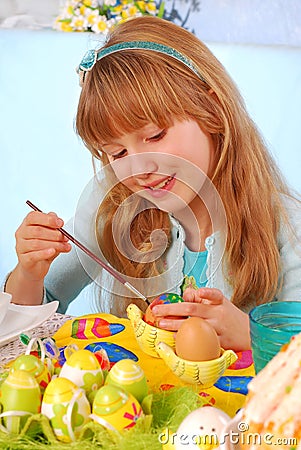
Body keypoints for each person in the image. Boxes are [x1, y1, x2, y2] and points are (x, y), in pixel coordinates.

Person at [3, 16, 301, 352]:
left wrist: (251, 337)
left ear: (214, 109)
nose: (139, 167)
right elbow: (28, 325)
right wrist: (29, 273)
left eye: (155, 135)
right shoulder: (114, 206)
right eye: (117, 153)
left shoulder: (288, 226)